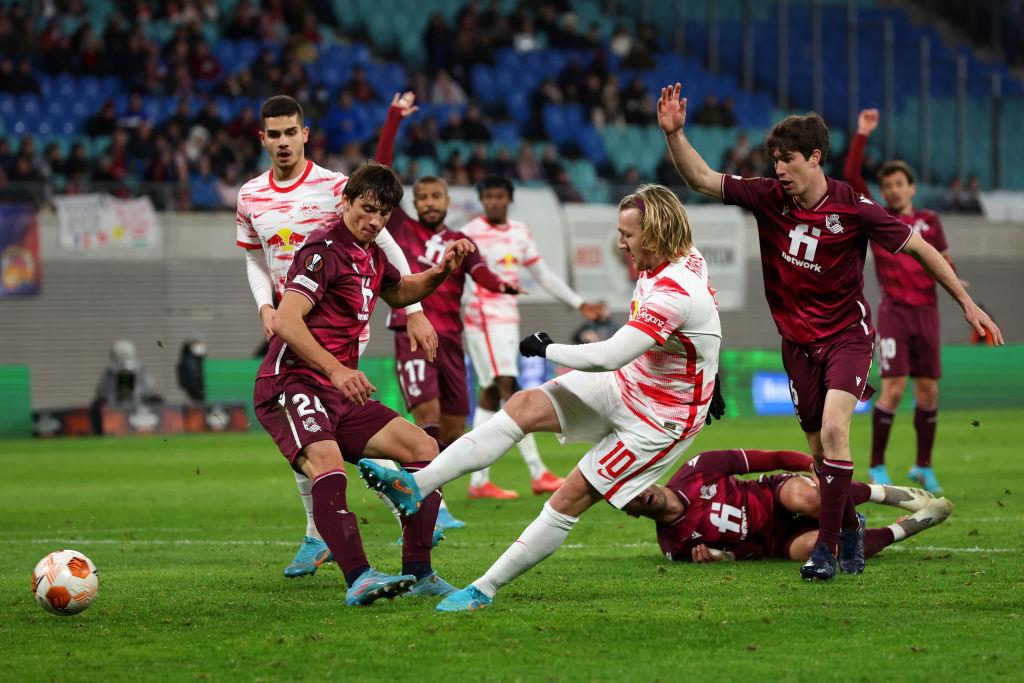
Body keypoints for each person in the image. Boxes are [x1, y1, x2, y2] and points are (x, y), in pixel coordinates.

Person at [656, 82, 1002, 581]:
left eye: (787, 160)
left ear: (815, 158)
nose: (779, 169)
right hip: (797, 345)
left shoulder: (854, 207)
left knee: (838, 430)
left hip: (847, 337)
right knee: (820, 452)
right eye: (775, 160)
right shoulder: (768, 196)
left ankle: (826, 549)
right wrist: (674, 134)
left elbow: (920, 248)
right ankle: (853, 528)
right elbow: (703, 179)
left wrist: (966, 302)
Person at [361, 184, 723, 611]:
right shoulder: (682, 256)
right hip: (630, 383)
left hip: (658, 421)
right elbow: (703, 324)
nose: (620, 243)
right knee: (523, 405)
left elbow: (609, 355)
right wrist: (710, 370)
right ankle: (416, 487)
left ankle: (483, 589)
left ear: (656, 233)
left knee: (569, 497)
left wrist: (547, 348)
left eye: (627, 234)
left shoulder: (674, 292)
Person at [253, 162, 475, 605]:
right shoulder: (323, 250)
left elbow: (401, 291)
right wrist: (336, 370)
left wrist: (441, 271)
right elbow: (287, 321)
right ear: (346, 202)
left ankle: (419, 572)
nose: (374, 221)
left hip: (339, 393)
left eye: (383, 213)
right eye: (367, 209)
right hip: (292, 382)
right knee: (328, 464)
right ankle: (358, 576)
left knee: (424, 449)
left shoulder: (372, 256)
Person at [236, 94, 437, 579]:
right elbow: (255, 257)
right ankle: (325, 532)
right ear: (262, 139)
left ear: (305, 134)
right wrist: (266, 305)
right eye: (274, 134)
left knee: (325, 442)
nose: (283, 142)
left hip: (342, 328)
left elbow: (380, 238)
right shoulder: (250, 196)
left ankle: (369, 540)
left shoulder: (335, 187)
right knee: (317, 445)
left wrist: (413, 308)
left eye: (291, 132)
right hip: (296, 326)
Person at [372, 94, 522, 526]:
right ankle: (431, 507)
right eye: (422, 196)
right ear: (414, 202)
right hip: (411, 333)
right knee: (429, 420)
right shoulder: (400, 228)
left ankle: (412, 485)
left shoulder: (460, 240)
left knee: (455, 433)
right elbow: (381, 169)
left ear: (447, 200)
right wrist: (393, 119)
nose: (429, 202)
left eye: (436, 195)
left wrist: (502, 284)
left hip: (451, 343)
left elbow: (482, 271)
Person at [458, 175, 607, 500]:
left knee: (489, 393)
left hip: (507, 316)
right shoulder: (470, 233)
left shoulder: (520, 232)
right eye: (488, 196)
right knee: (509, 388)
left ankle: (479, 482)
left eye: (499, 196)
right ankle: (538, 473)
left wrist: (578, 303)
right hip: (483, 316)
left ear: (509, 199)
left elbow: (542, 274)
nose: (494, 202)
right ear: (481, 200)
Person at [844, 109, 965, 493]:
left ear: (912, 188)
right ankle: (877, 465)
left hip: (928, 314)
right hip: (894, 314)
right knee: (894, 388)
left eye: (900, 184)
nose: (894, 190)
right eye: (888, 185)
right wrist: (862, 134)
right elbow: (851, 176)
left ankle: (923, 467)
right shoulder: (879, 217)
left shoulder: (930, 221)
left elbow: (943, 260)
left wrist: (953, 279)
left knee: (928, 391)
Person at [623, 448, 952, 563]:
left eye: (637, 488)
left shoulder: (697, 469)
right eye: (631, 501)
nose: (640, 496)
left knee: (808, 499)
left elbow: (772, 458)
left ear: (648, 478)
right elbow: (736, 555)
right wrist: (721, 558)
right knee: (824, 550)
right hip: (776, 543)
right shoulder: (674, 546)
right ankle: (911, 525)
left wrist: (810, 465)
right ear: (632, 513)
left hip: (775, 496)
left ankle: (887, 493)